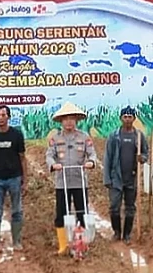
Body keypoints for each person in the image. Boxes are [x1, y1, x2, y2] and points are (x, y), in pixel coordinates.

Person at [45, 102, 98, 255]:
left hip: (79, 181)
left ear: (76, 120)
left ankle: (81, 244)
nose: (69, 122)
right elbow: (49, 155)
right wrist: (53, 164)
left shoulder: (84, 137)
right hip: (62, 182)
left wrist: (90, 162)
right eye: (66, 119)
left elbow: (92, 153)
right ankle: (63, 245)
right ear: (61, 121)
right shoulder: (55, 139)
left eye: (72, 119)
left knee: (82, 212)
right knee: (61, 212)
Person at [0, 105, 27, 250]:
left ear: (8, 117)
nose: (1, 118)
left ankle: (17, 241)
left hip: (14, 178)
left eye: (3, 115)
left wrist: (24, 180)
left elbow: (22, 158)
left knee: (17, 211)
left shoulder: (17, 135)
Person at [103, 106, 149, 243]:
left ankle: (127, 234)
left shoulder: (139, 136)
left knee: (130, 207)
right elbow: (108, 157)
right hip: (116, 178)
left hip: (132, 177)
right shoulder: (114, 136)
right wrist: (107, 178)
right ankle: (117, 232)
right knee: (114, 207)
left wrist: (142, 158)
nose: (128, 119)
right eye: (125, 116)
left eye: (130, 116)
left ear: (134, 119)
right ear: (121, 118)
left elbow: (145, 153)